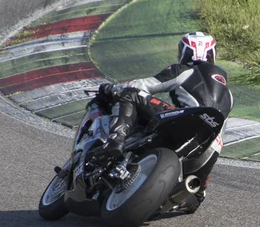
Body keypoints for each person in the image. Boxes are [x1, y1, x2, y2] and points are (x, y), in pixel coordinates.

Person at [95, 31, 233, 212]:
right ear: (212, 54)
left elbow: (140, 86)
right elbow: (220, 132)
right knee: (196, 197)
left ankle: (116, 140)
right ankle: (175, 199)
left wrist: (112, 89)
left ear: (185, 52)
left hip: (183, 119)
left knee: (130, 94)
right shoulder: (229, 94)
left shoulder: (183, 70)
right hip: (208, 148)